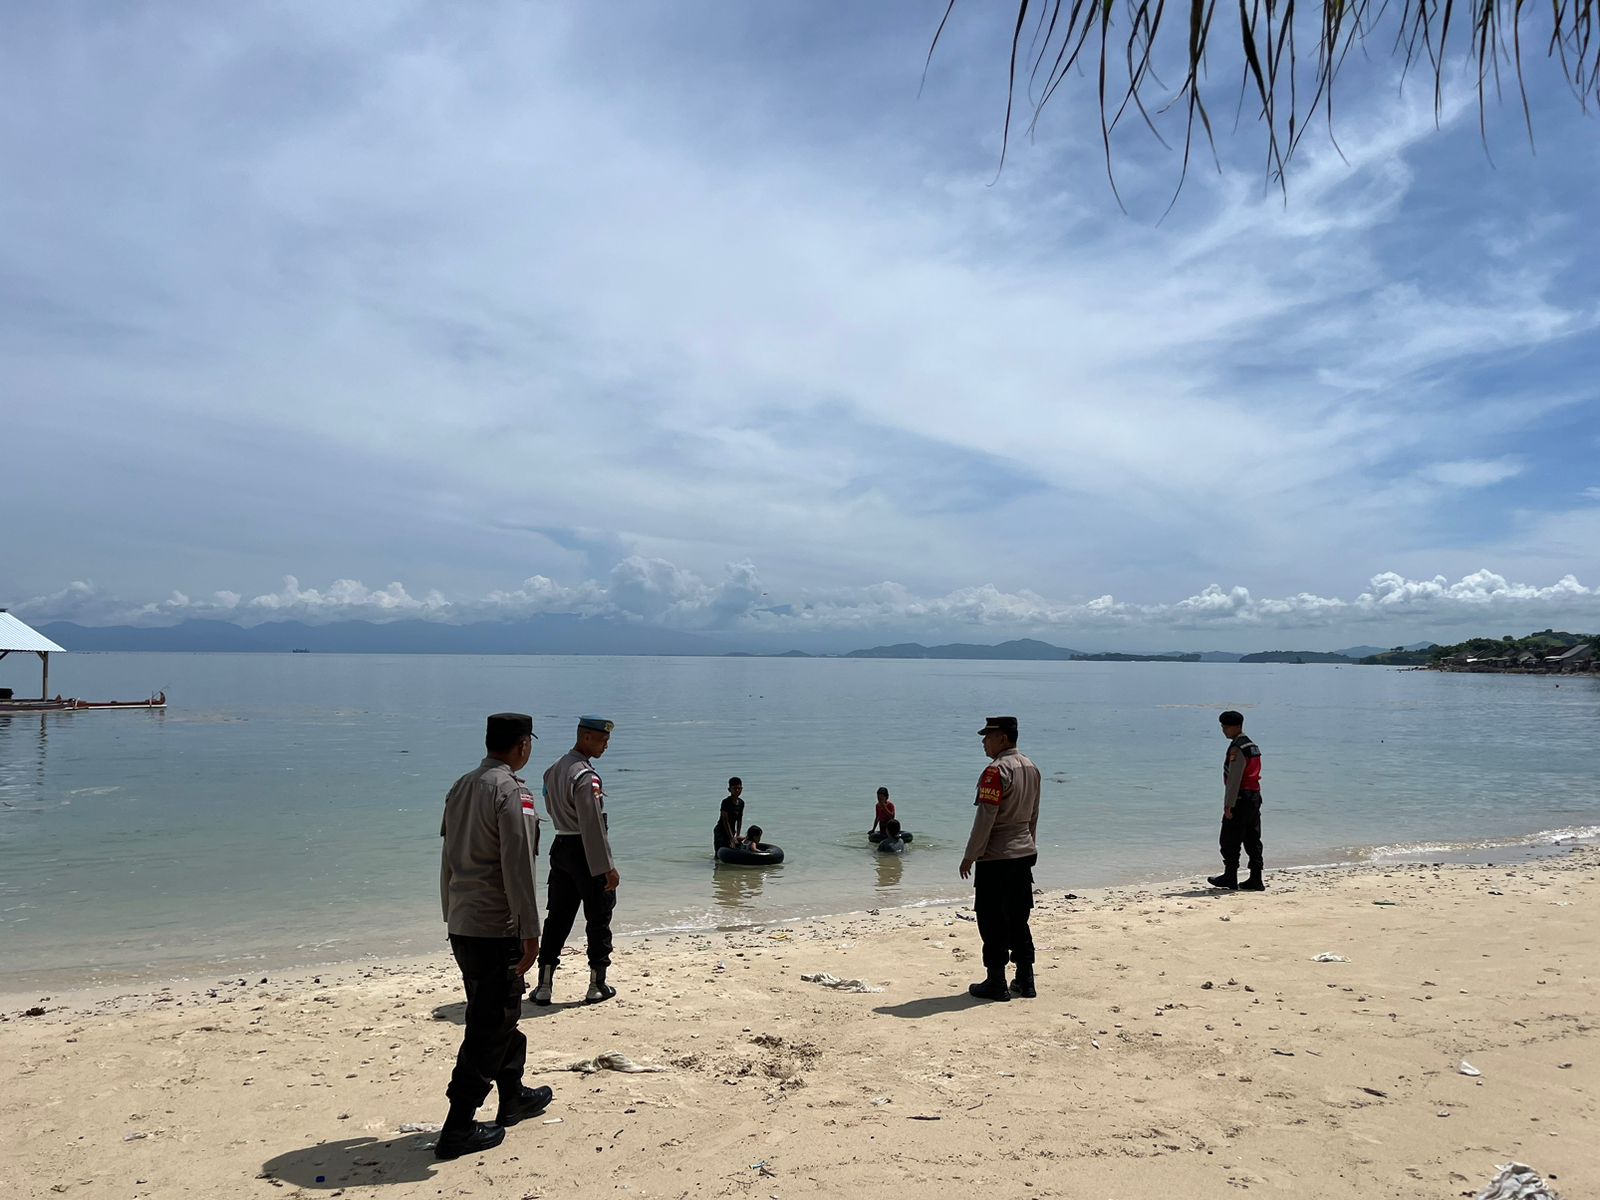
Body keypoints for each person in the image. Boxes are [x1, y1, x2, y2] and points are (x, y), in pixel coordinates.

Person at [435, 712, 555, 1159]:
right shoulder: (513, 792)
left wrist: (451, 914)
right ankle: (458, 1126)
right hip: (494, 925)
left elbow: (447, 859)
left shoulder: (461, 786)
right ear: (523, 744)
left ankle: (513, 1097)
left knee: (498, 1013)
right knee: (491, 1024)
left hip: (463, 922)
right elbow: (518, 865)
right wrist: (530, 930)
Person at [532, 716, 621, 1006]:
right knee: (599, 915)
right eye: (602, 740)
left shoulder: (552, 771)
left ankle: (544, 984)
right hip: (585, 849)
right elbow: (592, 823)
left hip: (560, 845)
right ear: (585, 737)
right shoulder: (585, 776)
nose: (606, 745)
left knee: (557, 917)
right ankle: (597, 984)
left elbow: (550, 806)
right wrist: (607, 867)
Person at [960, 716, 1042, 1001]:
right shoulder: (1032, 768)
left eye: (988, 736)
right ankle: (1025, 979)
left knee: (992, 919)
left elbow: (986, 818)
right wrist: (1030, 844)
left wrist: (970, 855)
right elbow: (1033, 815)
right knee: (1019, 917)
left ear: (1003, 738)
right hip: (1023, 854)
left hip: (996, 857)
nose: (984, 741)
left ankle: (996, 981)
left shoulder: (994, 772)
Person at [1209, 710, 1265, 892]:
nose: (1223, 731)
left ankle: (1230, 877)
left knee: (1229, 839)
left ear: (1234, 727)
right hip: (1254, 797)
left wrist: (1229, 805)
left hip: (1241, 797)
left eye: (1225, 727)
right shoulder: (1252, 746)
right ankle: (1256, 878)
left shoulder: (1238, 747)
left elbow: (1234, 779)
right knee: (1252, 838)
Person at [713, 777, 745, 853]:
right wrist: (731, 838)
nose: (737, 790)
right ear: (729, 789)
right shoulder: (726, 802)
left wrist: (737, 835)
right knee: (720, 853)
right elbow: (725, 821)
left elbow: (739, 820)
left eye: (739, 788)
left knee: (733, 850)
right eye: (734, 788)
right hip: (721, 832)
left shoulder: (741, 803)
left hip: (731, 831)